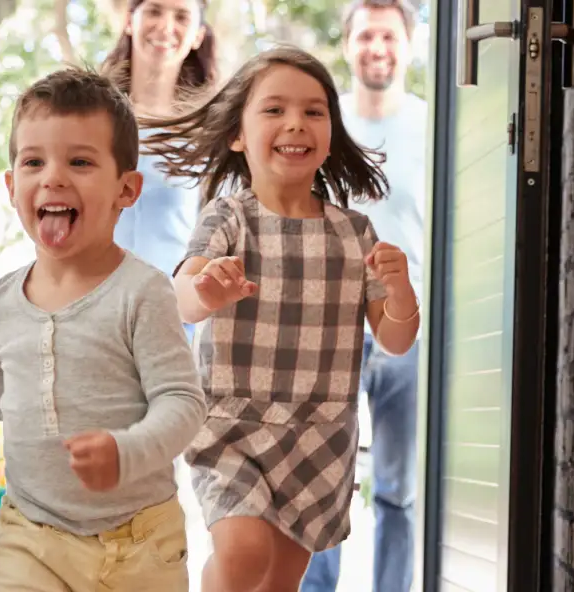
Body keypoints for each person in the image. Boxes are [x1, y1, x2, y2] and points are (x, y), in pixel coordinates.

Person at [0, 68, 207, 591]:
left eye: (79, 161)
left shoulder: (144, 293)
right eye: (34, 162)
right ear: (13, 187)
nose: (53, 177)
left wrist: (127, 450)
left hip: (141, 546)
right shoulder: (1, 303)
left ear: (127, 188)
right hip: (29, 536)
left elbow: (183, 403)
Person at [140, 47, 422, 592]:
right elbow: (182, 297)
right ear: (237, 135)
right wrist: (207, 288)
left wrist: (403, 289)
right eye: (274, 110)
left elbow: (396, 339)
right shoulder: (228, 217)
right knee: (244, 554)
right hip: (232, 428)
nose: (295, 122)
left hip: (320, 439)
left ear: (331, 134)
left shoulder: (355, 232)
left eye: (314, 112)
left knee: (280, 581)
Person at [302, 2, 428, 591]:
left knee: (400, 489)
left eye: (389, 35)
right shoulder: (326, 127)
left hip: (408, 328)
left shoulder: (434, 126)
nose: (378, 46)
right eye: (366, 35)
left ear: (409, 45)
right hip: (334, 328)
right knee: (324, 482)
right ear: (349, 46)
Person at [102, 0, 221, 344]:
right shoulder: (93, 117)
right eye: (154, 10)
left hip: (171, 322)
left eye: (181, 16)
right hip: (94, 312)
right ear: (129, 21)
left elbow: (218, 236)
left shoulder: (208, 132)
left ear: (198, 36)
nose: (166, 26)